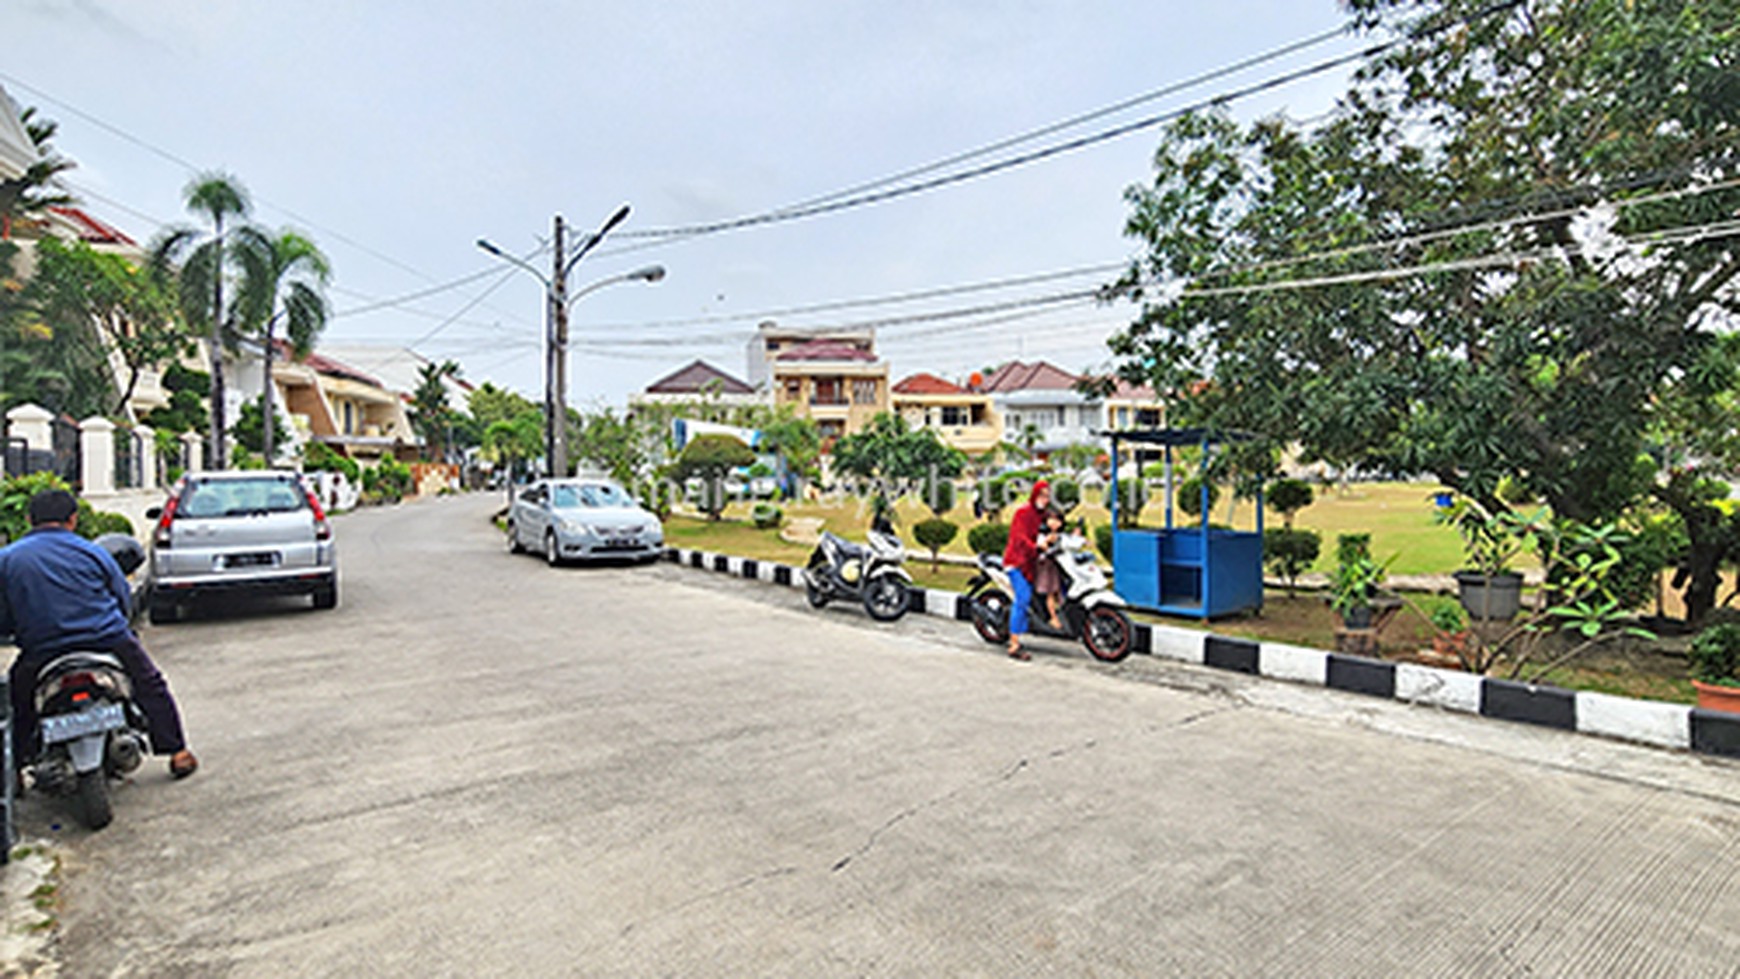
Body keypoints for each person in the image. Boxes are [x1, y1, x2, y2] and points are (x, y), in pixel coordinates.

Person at [0, 489, 197, 782]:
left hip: (42, 649)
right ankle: (177, 752)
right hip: (106, 639)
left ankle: (14, 770)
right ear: (73, 520)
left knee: (18, 703)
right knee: (149, 684)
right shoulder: (92, 552)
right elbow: (121, 597)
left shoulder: (7, 559)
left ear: (29, 519)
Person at [1000, 480, 1052, 660]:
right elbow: (1019, 537)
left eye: (1048, 496)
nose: (1045, 499)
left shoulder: (1043, 515)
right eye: (1042, 495)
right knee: (1023, 598)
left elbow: (1052, 528)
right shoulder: (1022, 513)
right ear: (1034, 495)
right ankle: (1014, 645)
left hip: (1033, 563)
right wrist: (1035, 547)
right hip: (1016, 562)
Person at [1033, 507, 1066, 629]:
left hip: (1056, 566)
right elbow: (1041, 545)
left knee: (1059, 592)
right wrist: (1046, 542)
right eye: (1051, 519)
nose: (1054, 522)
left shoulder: (1059, 535)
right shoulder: (1042, 534)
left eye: (1057, 520)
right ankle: (1053, 618)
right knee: (1050, 593)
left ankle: (1060, 615)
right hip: (1044, 566)